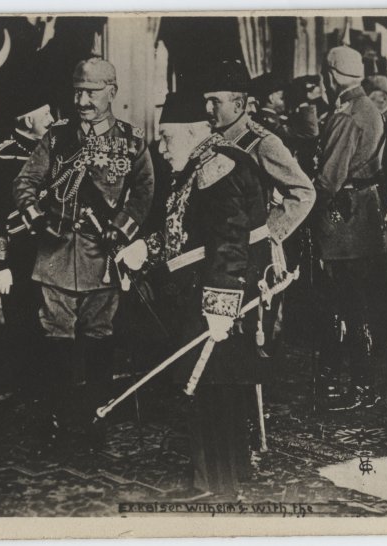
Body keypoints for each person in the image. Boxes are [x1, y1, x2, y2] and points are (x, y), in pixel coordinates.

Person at [132, 91, 269, 499]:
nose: (160, 147)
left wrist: (219, 308)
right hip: (200, 294)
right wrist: (147, 248)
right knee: (211, 389)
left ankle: (218, 487)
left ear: (193, 132)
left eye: (167, 138)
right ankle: (217, 477)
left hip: (217, 299)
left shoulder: (219, 168)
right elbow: (186, 231)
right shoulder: (198, 164)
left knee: (214, 391)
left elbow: (230, 240)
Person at [12, 58, 154, 450]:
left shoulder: (131, 140)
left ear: (112, 91)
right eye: (77, 91)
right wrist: (36, 216)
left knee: (99, 337)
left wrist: (121, 227)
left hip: (102, 256)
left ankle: (96, 415)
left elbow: (144, 193)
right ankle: (57, 418)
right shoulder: (57, 138)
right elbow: (25, 181)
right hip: (56, 256)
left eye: (91, 92)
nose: (82, 100)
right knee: (54, 336)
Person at [202, 60, 315, 362]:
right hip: (221, 252)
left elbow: (304, 191)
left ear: (239, 103)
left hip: (256, 255)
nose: (209, 109)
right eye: (206, 101)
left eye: (216, 101)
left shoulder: (263, 142)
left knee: (253, 334)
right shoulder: (210, 141)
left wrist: (269, 232)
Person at [310, 45, 386, 411]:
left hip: (343, 218)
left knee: (342, 304)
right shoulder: (370, 108)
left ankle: (359, 385)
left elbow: (328, 180)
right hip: (365, 213)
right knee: (358, 303)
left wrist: (310, 213)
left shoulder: (347, 115)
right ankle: (362, 384)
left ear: (331, 76)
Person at [0, 94, 54, 401]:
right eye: (46, 113)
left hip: (53, 256)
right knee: (23, 329)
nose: (52, 119)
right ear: (27, 120)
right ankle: (29, 400)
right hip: (19, 259)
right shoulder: (0, 158)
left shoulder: (55, 150)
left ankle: (50, 397)